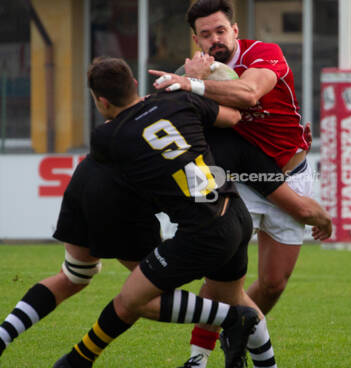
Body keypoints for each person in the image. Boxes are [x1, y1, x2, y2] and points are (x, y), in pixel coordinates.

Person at [53, 57, 269, 368]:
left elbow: (109, 181)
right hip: (235, 211)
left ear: (101, 101)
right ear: (136, 85)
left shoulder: (106, 137)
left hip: (203, 230)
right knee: (235, 296)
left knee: (131, 300)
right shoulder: (178, 99)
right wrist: (197, 85)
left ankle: (233, 319)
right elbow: (232, 117)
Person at [149, 1, 318, 367]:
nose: (215, 40)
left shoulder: (263, 54)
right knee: (222, 277)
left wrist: (191, 83)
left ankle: (236, 329)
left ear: (235, 31)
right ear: (196, 39)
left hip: (291, 172)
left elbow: (248, 94)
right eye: (206, 35)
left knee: (274, 284)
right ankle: (198, 358)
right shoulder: (191, 74)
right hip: (242, 180)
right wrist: (180, 86)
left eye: (221, 31)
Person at [0, 156, 163, 368]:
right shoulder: (192, 130)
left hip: (87, 176)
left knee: (74, 276)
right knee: (151, 288)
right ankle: (78, 359)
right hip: (119, 190)